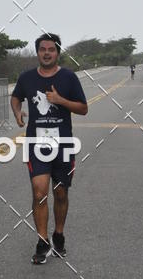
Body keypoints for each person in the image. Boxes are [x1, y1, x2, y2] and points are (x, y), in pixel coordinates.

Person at [11, 33, 88, 265]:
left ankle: (59, 234)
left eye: (51, 50)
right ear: (37, 52)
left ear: (57, 53)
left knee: (61, 192)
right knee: (39, 191)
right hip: (36, 143)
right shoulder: (26, 78)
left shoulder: (69, 77)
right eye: (42, 49)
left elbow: (83, 108)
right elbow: (15, 98)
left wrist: (60, 100)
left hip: (63, 144)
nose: (46, 53)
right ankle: (42, 241)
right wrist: (17, 112)